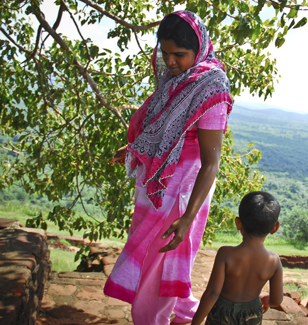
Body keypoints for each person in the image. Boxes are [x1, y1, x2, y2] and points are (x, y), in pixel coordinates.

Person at [103, 10, 233, 325]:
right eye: (165, 53)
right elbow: (164, 129)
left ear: (198, 49)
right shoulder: (176, 81)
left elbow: (211, 162)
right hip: (162, 183)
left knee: (157, 262)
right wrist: (135, 149)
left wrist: (188, 218)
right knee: (163, 257)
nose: (171, 61)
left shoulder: (211, 89)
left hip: (185, 190)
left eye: (179, 54)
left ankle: (152, 320)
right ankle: (181, 312)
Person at [191, 191, 284, 325]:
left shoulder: (225, 254)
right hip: (252, 314)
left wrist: (195, 322)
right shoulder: (274, 261)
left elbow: (212, 293)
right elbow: (277, 300)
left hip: (221, 314)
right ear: (275, 228)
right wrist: (266, 300)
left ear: (238, 223)